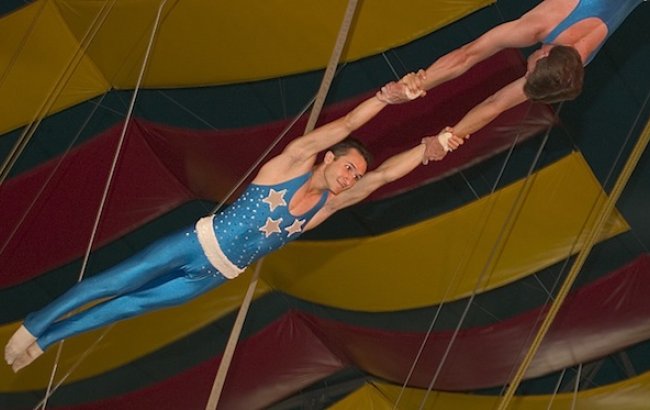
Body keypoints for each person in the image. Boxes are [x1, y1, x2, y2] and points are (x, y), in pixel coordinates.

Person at [4, 75, 464, 372]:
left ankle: (50, 339)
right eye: (347, 169)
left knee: (127, 308)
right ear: (328, 158)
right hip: (191, 246)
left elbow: (383, 175)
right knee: (110, 285)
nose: (350, 179)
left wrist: (429, 149)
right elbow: (341, 127)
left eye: (354, 178)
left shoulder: (324, 209)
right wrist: (385, 97)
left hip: (210, 277)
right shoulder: (290, 166)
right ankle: (38, 322)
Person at [380, 0, 646, 161]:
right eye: (528, 72)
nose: (524, 72)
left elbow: (497, 103)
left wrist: (450, 137)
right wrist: (417, 85)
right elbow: (468, 55)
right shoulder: (544, 25)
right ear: (544, 55)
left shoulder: (567, 69)